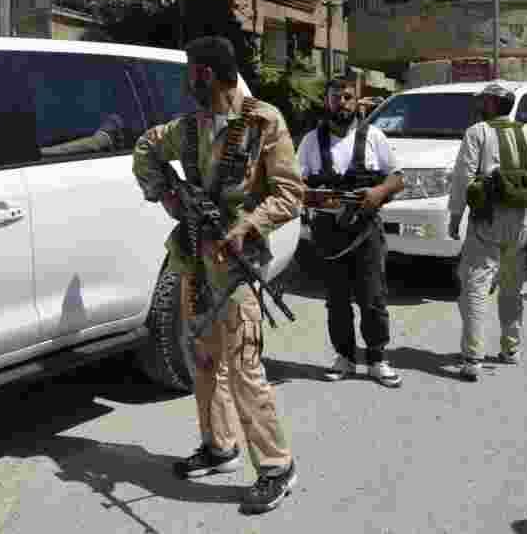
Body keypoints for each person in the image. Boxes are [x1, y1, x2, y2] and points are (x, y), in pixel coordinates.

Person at [132, 36, 301, 514]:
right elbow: (145, 147)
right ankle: (219, 446)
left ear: (206, 74)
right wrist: (167, 194)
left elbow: (290, 194)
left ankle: (276, 466)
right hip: (194, 259)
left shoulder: (264, 122)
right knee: (202, 357)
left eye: (191, 72)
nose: (187, 81)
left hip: (238, 267)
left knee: (245, 366)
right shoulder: (189, 128)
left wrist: (246, 225)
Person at [296, 78, 406, 387]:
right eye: (335, 97)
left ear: (356, 101)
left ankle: (377, 359)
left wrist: (377, 192)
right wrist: (312, 195)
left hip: (365, 230)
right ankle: (344, 357)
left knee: (373, 297)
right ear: (327, 101)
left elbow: (397, 179)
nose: (342, 102)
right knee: (337, 300)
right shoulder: (310, 142)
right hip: (328, 233)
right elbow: (294, 183)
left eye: (347, 97)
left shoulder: (374, 137)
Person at [447, 83, 527, 382]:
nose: (480, 105)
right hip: (521, 221)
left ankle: (472, 358)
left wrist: (455, 216)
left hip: (486, 220)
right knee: (512, 289)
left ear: (491, 104)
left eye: (483, 101)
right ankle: (511, 349)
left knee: (475, 289)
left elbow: (464, 177)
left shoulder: (478, 132)